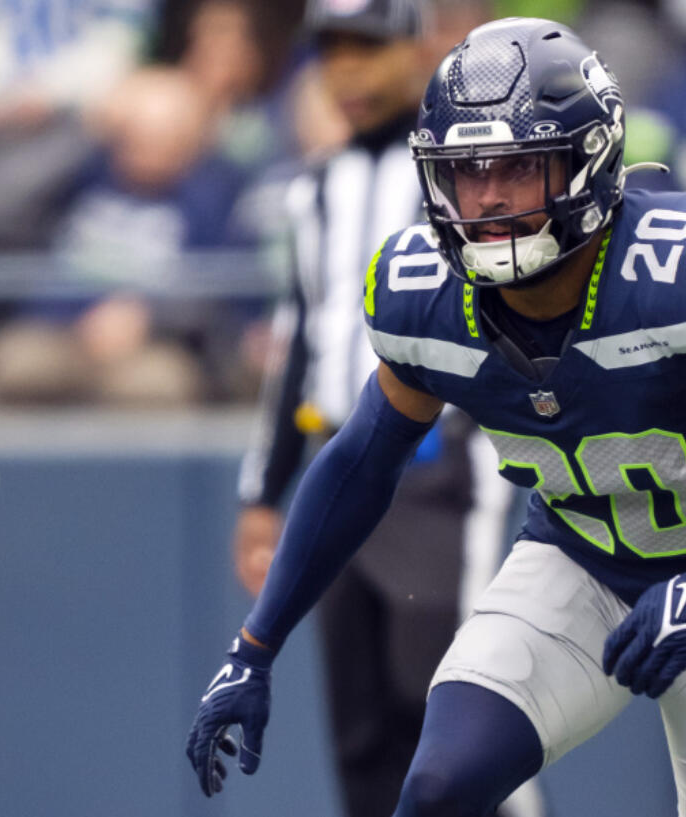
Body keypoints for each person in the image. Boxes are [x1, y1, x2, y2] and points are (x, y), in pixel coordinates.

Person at [187, 17, 686, 817]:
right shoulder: (423, 291)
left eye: (519, 167)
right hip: (581, 563)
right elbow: (360, 461)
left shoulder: (682, 270)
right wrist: (253, 648)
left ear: (587, 161)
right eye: (467, 172)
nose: (489, 197)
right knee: (437, 790)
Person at [231, 2, 531, 816]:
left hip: (444, 466)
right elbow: (299, 346)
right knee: (361, 726)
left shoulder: (469, 173)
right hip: (341, 465)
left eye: (367, 45)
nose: (347, 69)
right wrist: (264, 493)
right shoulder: (315, 190)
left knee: (461, 705)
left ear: (418, 48)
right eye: (332, 49)